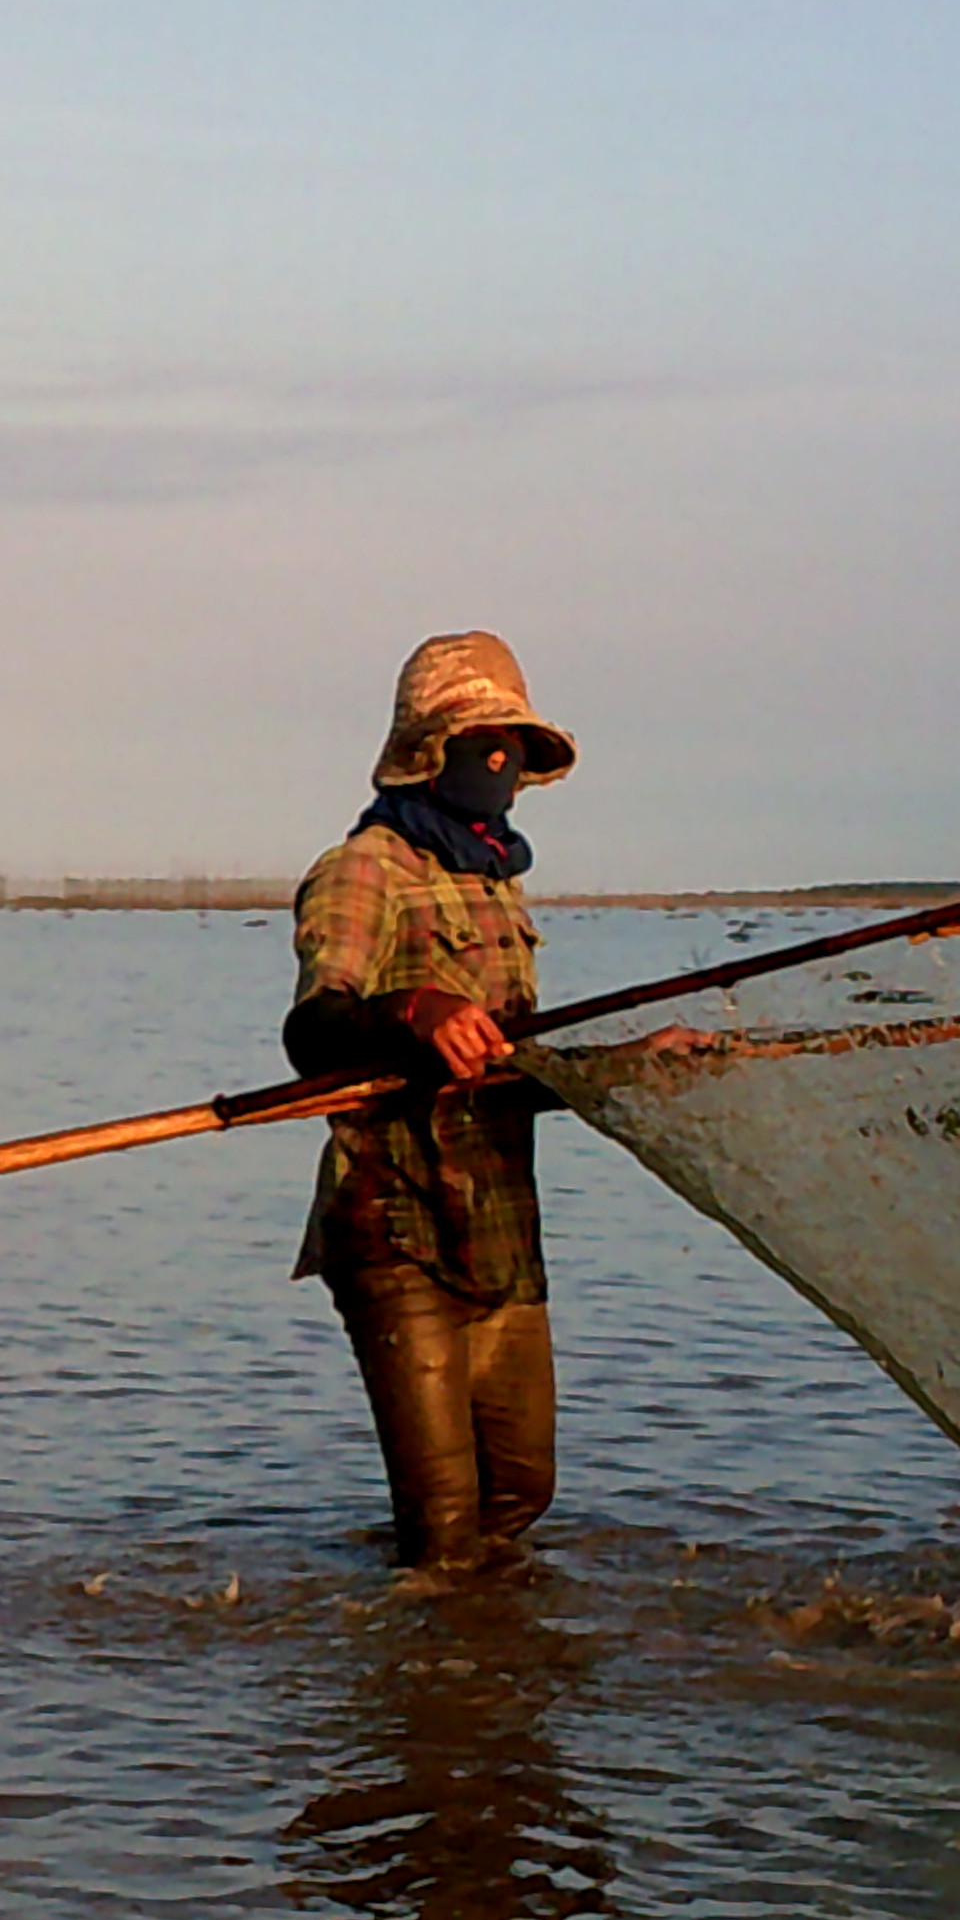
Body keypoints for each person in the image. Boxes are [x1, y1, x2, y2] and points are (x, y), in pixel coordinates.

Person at [285, 632, 575, 1570]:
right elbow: (314, 1033)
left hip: (499, 1226)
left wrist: (634, 1066)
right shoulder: (366, 867)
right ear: (425, 752)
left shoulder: (496, 883)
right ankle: (422, 1681)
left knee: (521, 1490)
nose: (501, 761)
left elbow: (513, 1058)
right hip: (395, 1223)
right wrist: (412, 1010)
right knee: (444, 1523)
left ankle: (479, 1667)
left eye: (513, 745)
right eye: (480, 740)